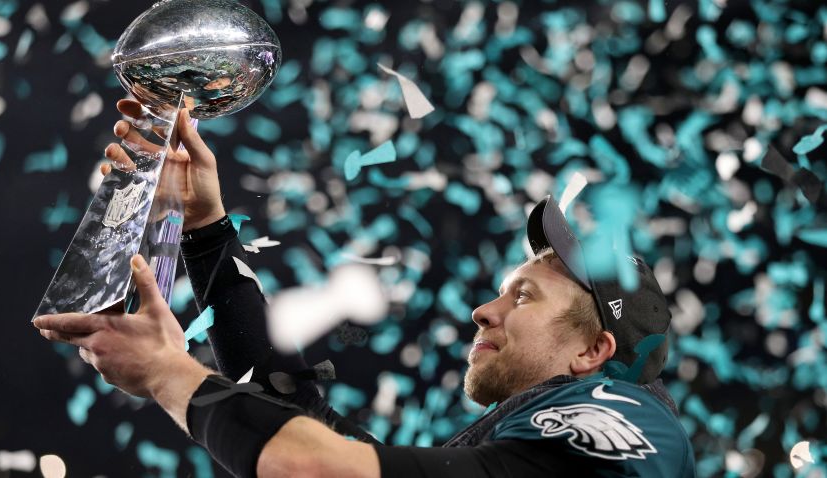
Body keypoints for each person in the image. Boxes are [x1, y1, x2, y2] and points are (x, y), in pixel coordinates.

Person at [34, 100, 695, 477]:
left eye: (523, 296)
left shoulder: (622, 423)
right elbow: (316, 433)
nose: (481, 310)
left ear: (593, 353)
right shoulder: (535, 445)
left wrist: (164, 372)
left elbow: (318, 470)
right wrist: (206, 229)